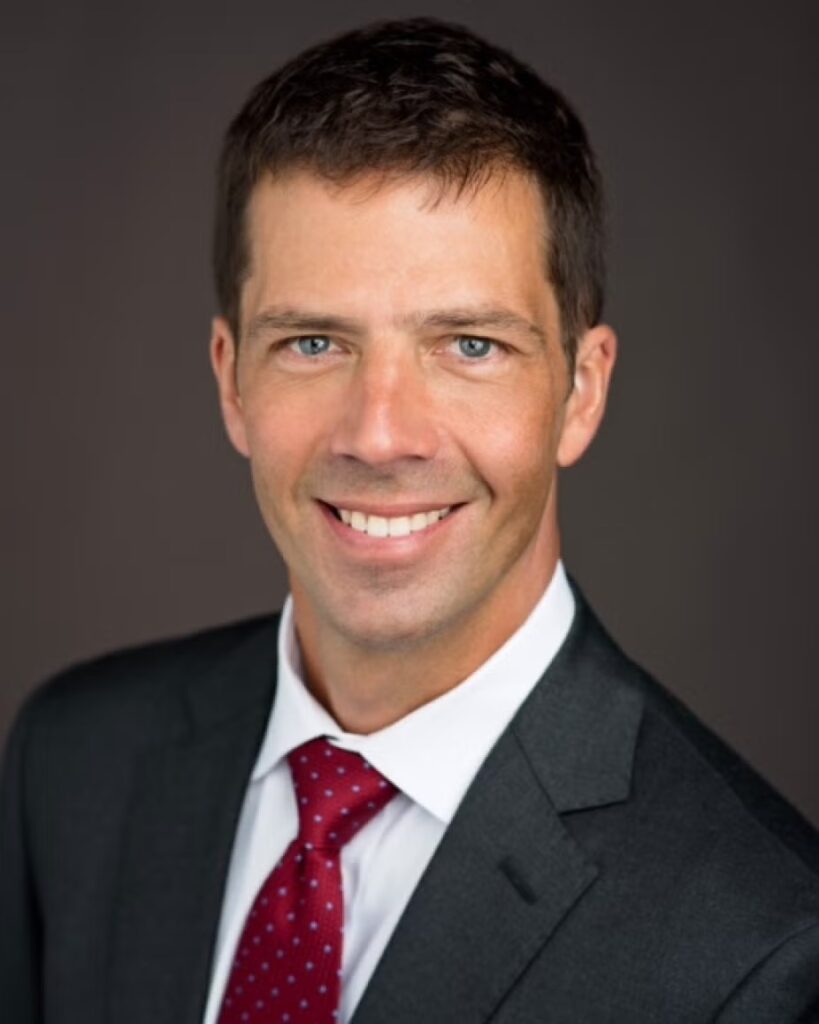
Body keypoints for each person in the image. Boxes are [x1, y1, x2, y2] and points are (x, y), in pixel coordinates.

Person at [2, 16, 818, 1024]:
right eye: (312, 343)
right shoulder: (73, 766)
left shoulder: (764, 948)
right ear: (230, 380)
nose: (380, 435)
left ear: (581, 392)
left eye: (469, 345)